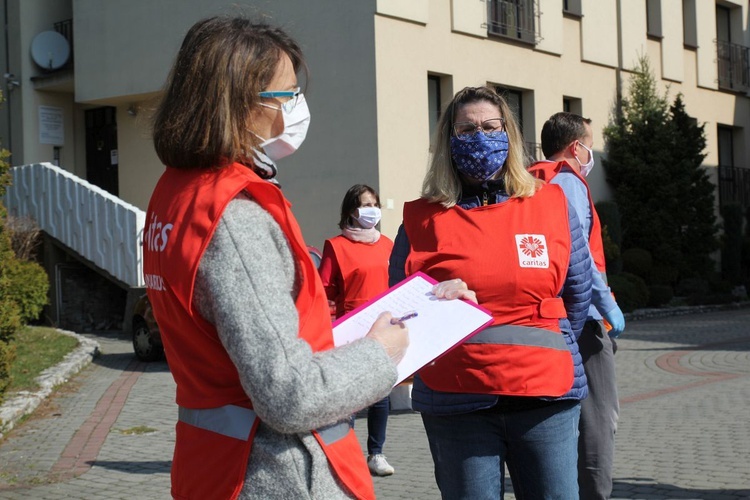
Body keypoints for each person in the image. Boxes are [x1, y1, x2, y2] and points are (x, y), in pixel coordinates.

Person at [141, 16, 475, 500]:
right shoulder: (235, 216)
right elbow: (288, 395)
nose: (295, 111)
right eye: (285, 96)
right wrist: (379, 352)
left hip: (218, 466)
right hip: (276, 474)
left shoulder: (177, 195)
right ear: (238, 105)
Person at [388, 86, 593, 499]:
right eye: (466, 129)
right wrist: (431, 300)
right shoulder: (422, 218)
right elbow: (398, 311)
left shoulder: (550, 203)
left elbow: (577, 292)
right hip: (457, 402)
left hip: (544, 397)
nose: (479, 136)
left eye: (490, 126)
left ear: (508, 134)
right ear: (448, 140)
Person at [529, 112, 626, 499]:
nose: (592, 153)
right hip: (581, 317)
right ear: (576, 147)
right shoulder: (568, 181)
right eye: (590, 143)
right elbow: (579, 253)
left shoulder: (530, 181)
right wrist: (607, 306)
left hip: (545, 316)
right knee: (599, 420)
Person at [318, 184, 397, 477]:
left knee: (380, 395)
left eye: (375, 204)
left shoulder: (388, 244)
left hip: (383, 329)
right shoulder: (336, 246)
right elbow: (324, 292)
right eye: (366, 204)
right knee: (348, 398)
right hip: (350, 329)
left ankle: (376, 453)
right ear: (352, 210)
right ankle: (342, 453)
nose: (372, 210)